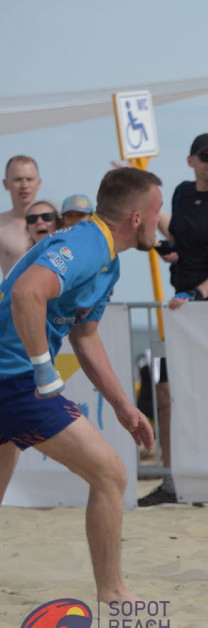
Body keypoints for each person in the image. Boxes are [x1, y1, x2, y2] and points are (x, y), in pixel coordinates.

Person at [0, 166, 161, 603]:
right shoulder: (87, 244)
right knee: (111, 474)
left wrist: (124, 407)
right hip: (12, 377)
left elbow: (85, 338)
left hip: (10, 374)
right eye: (157, 212)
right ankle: (113, 593)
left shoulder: (106, 256)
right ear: (135, 219)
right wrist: (43, 369)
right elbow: (25, 294)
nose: (158, 222)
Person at [139, 133, 208, 507]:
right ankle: (173, 480)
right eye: (205, 156)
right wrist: (169, 248)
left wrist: (199, 293)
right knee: (168, 394)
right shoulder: (183, 193)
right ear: (191, 161)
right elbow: (179, 234)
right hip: (181, 311)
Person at [0, 155, 41, 278]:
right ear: (6, 184)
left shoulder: (55, 222)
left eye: (29, 179)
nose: (24, 185)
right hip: (11, 296)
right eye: (18, 179)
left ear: (39, 183)